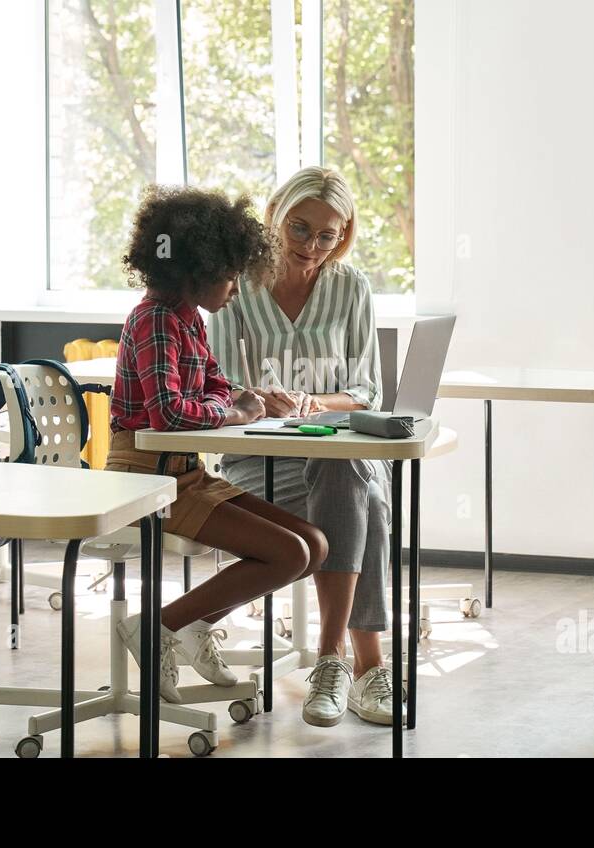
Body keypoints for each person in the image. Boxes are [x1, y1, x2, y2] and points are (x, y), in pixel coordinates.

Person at [107, 185, 329, 704]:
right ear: (197, 270)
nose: (235, 288)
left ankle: (187, 626)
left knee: (313, 546)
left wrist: (244, 398)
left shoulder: (189, 319)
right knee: (288, 553)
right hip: (146, 480)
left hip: (184, 472)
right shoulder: (155, 321)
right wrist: (234, 411)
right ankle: (160, 625)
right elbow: (168, 411)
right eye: (230, 275)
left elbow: (212, 383)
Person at [207, 166, 395, 727]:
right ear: (275, 218)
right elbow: (219, 383)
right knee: (368, 505)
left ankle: (332, 660)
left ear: (344, 235)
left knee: (348, 477)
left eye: (328, 235)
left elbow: (366, 390)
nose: (311, 247)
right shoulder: (236, 283)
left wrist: (315, 403)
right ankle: (365, 668)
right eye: (299, 229)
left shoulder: (351, 287)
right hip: (256, 461)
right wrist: (262, 398)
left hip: (334, 452)